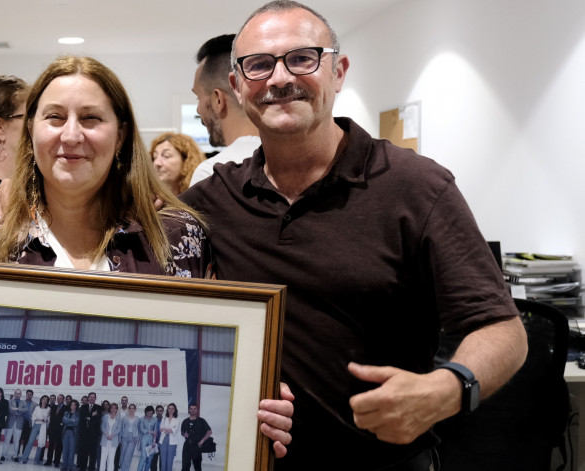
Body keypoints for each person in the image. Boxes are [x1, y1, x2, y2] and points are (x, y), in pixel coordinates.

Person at [180, 1, 528, 469]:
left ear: (338, 71)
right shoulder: (211, 199)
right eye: (259, 65)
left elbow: (501, 328)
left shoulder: (417, 186)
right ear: (239, 88)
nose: (280, 78)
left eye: (302, 58)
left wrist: (447, 388)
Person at [0, 55, 209, 279]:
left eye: (91, 117)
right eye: (54, 117)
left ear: (120, 136)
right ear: (31, 130)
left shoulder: (178, 234)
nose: (71, 136)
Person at [188, 34, 262, 187]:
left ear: (218, 100)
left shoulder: (212, 174)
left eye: (198, 97)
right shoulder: (290, 165)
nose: (198, 109)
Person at [179, 404, 211, 471]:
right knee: (185, 467)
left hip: (197, 446)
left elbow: (209, 431)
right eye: (191, 408)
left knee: (197, 467)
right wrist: (184, 434)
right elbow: (182, 432)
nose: (192, 410)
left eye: (194, 408)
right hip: (187, 446)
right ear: (189, 410)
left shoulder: (201, 421)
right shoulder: (185, 421)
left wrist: (202, 441)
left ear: (197, 410)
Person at [21, 394, 51, 463]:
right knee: (30, 442)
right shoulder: (37, 407)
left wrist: (44, 420)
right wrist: (41, 419)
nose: (44, 401)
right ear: (41, 400)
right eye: (43, 399)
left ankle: (36, 460)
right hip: (36, 426)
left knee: (41, 442)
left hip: (43, 427)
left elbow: (48, 419)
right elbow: (34, 417)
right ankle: (24, 458)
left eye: (46, 400)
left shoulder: (49, 409)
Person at [3, 389, 27, 462]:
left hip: (19, 424)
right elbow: (9, 410)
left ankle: (15, 456)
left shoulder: (23, 402)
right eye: (16, 393)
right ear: (14, 394)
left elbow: (26, 410)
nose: (17, 395)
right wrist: (19, 411)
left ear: (21, 395)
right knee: (7, 440)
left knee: (17, 441)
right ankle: (3, 455)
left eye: (19, 393)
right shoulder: (9, 401)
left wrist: (16, 409)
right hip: (10, 424)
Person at [45, 393, 68, 466]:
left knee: (59, 446)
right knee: (50, 446)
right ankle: (49, 461)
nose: (59, 400)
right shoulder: (54, 407)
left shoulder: (66, 408)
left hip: (61, 430)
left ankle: (56, 462)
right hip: (52, 429)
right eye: (58, 398)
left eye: (60, 398)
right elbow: (51, 418)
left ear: (63, 400)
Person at [157, 404, 180, 471]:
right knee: (163, 462)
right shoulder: (164, 419)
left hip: (172, 442)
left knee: (169, 462)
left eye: (172, 408)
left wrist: (167, 430)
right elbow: (161, 429)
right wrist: (168, 430)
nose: (170, 410)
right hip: (163, 441)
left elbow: (174, 430)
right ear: (167, 409)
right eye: (169, 408)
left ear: (175, 410)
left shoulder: (177, 420)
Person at [99, 403, 122, 471]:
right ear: (110, 409)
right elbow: (102, 426)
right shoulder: (106, 416)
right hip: (105, 440)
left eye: (115, 408)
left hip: (113, 440)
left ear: (117, 409)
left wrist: (112, 435)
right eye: (112, 408)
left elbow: (119, 429)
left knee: (111, 459)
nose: (113, 409)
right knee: (103, 458)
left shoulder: (118, 418)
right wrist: (106, 435)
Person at [118, 403, 141, 471]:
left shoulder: (138, 419)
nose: (131, 409)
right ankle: (122, 468)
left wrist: (138, 437)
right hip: (124, 437)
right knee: (122, 454)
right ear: (128, 409)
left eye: (133, 408)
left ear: (135, 410)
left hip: (133, 438)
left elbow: (139, 430)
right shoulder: (124, 417)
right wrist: (120, 437)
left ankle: (126, 469)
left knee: (128, 455)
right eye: (130, 408)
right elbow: (121, 428)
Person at [61, 399, 81, 471]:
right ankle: (64, 466)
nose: (73, 406)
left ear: (76, 406)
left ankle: (70, 466)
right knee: (65, 449)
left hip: (73, 433)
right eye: (72, 405)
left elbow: (76, 423)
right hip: (66, 432)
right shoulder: (66, 412)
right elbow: (63, 420)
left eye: (74, 405)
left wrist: (68, 420)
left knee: (72, 450)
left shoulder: (78, 413)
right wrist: (72, 420)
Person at [136, 406, 158, 471]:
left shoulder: (155, 419)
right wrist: (149, 431)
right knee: (143, 457)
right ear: (145, 412)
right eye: (148, 413)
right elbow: (141, 429)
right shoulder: (141, 419)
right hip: (144, 438)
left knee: (150, 458)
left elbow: (155, 430)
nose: (150, 415)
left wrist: (154, 441)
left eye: (151, 413)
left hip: (151, 439)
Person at [150, 405, 164, 471]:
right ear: (156, 412)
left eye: (160, 411)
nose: (159, 412)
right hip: (154, 443)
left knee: (162, 462)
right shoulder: (152, 420)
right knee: (153, 461)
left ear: (163, 412)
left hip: (162, 444)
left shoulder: (165, 421)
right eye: (158, 411)